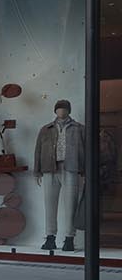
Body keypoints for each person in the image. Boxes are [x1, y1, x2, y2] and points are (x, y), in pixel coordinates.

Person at [34, 99, 85, 252]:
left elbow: (88, 150)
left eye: (64, 108)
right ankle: (50, 238)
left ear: (69, 110)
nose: (61, 111)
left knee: (71, 205)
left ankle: (69, 238)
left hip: (71, 169)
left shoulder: (80, 129)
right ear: (55, 111)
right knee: (49, 205)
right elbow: (38, 150)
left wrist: (87, 172)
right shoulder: (45, 129)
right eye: (59, 108)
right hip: (50, 169)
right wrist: (37, 171)